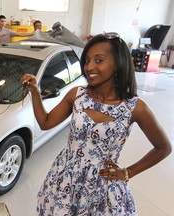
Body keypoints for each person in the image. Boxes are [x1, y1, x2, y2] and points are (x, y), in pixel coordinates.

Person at [21, 32, 172, 215]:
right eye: (87, 60)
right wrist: (35, 91)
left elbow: (163, 148)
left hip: (102, 187)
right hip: (64, 179)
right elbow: (45, 122)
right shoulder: (77, 95)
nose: (89, 66)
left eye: (99, 60)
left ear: (118, 63)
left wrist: (127, 172)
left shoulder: (135, 108)